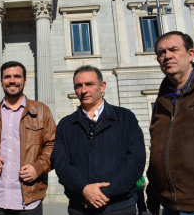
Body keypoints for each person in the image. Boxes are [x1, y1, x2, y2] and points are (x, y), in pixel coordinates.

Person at [51, 65, 146, 215]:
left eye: (89, 84)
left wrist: (104, 194)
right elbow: (61, 164)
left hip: (120, 207)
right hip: (81, 207)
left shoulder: (125, 118)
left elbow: (136, 161)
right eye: (78, 86)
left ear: (102, 86)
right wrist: (84, 189)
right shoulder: (65, 124)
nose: (84, 90)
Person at [146, 31, 194, 215]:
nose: (167, 56)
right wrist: (153, 193)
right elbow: (158, 148)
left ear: (190, 54)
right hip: (169, 206)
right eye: (161, 53)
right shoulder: (162, 99)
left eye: (173, 50)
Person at [0, 61, 56, 214]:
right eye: (7, 77)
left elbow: (53, 145)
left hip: (29, 201)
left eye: (17, 76)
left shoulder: (42, 111)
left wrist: (38, 167)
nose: (12, 80)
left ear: (25, 81)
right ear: (1, 81)